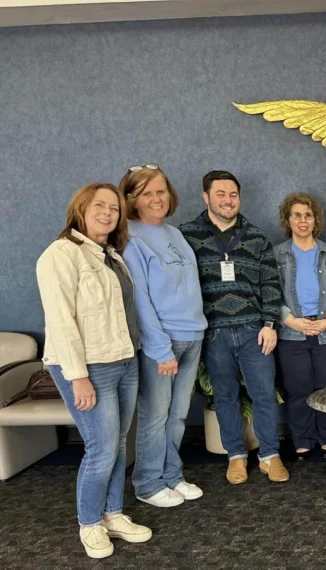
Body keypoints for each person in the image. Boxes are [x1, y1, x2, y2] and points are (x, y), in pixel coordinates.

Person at [36, 183, 152, 559]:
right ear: (80, 209)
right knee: (100, 448)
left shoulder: (110, 256)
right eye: (99, 206)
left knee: (117, 444)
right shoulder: (61, 254)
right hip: (88, 367)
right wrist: (78, 376)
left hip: (124, 360)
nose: (108, 213)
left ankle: (112, 513)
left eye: (114, 208)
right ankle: (89, 523)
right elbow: (61, 322)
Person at [179, 170, 289, 485]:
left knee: (264, 394)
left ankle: (270, 455)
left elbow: (270, 283)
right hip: (214, 332)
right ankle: (236, 456)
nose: (228, 200)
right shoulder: (187, 236)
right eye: (221, 194)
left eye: (233, 195)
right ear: (206, 197)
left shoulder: (257, 236)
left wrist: (270, 323)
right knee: (224, 396)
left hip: (255, 330)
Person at [119, 165, 208, 507]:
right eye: (145, 193)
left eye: (160, 191)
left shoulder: (174, 233)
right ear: (132, 200)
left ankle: (173, 476)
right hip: (164, 343)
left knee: (179, 413)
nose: (155, 199)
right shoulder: (131, 238)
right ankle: (148, 482)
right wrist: (160, 349)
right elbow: (140, 300)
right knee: (155, 416)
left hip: (193, 334)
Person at [274, 192, 326, 460]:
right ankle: (303, 439)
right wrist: (290, 320)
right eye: (296, 215)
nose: (302, 220)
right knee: (298, 390)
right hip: (291, 333)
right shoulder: (277, 255)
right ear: (288, 219)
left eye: (308, 215)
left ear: (315, 219)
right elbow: (269, 293)